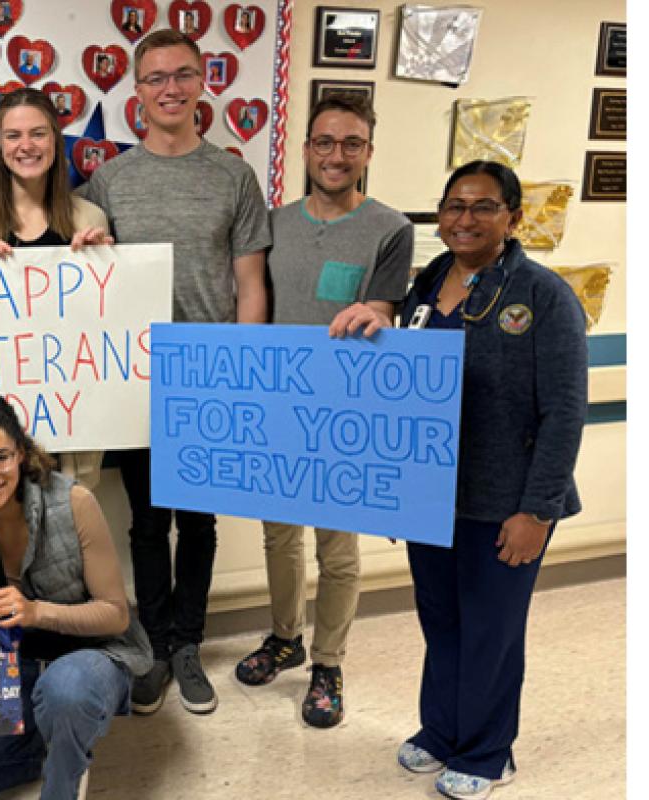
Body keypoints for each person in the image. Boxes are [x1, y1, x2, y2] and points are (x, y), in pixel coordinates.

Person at [79, 28, 270, 716]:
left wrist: (244, 368)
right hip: (136, 378)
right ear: (137, 92)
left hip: (211, 375)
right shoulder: (110, 179)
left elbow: (251, 282)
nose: (170, 88)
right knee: (145, 523)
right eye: (155, 77)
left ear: (202, 83)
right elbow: (82, 271)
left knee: (200, 521)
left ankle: (189, 643)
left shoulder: (233, 175)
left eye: (182, 75)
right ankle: (154, 646)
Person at [394, 161, 587, 799]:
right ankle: (442, 731)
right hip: (432, 496)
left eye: (482, 207)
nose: (465, 219)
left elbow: (565, 411)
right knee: (440, 621)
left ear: (513, 217)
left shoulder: (543, 295)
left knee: (492, 630)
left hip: (507, 502)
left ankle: (487, 751)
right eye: (454, 206)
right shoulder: (424, 285)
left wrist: (539, 510)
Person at [233, 94, 413, 729]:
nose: (337, 155)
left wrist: (381, 312)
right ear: (305, 149)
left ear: (368, 151)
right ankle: (286, 636)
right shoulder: (272, 222)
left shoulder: (390, 228)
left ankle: (328, 662)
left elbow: (387, 308)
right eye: (325, 142)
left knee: (337, 550)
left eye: (352, 143)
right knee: (279, 536)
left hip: (345, 414)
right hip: (281, 407)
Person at [0, 390, 153, 799]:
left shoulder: (73, 501)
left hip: (93, 659)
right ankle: (36, 745)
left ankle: (60, 781)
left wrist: (37, 611)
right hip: (15, 669)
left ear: (21, 453)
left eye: (0, 457)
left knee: (65, 691)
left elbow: (116, 615)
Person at [0, 87, 111, 489]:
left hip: (73, 410)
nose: (26, 146)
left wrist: (105, 267)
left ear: (55, 142)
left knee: (68, 531)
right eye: (13, 136)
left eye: (38, 134)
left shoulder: (91, 218)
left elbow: (106, 328)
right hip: (0, 416)